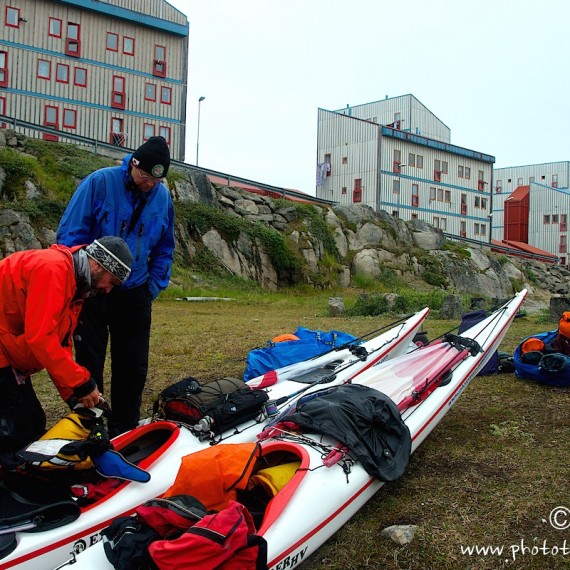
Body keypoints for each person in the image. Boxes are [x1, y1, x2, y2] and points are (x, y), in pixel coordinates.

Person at [57, 136, 175, 437]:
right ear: (133, 164)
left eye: (156, 180)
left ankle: (124, 431)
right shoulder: (100, 183)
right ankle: (88, 429)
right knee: (89, 363)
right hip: (93, 291)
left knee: (133, 368)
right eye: (145, 176)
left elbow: (164, 247)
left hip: (135, 292)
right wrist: (82, 281)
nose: (149, 184)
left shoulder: (162, 198)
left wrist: (152, 287)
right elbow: (71, 233)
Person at [0, 237, 133, 459]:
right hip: (4, 352)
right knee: (16, 428)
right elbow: (40, 338)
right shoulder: (54, 270)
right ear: (98, 264)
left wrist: (73, 394)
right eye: (112, 281)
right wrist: (81, 383)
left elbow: (60, 343)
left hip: (7, 350)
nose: (108, 290)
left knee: (30, 421)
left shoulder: (75, 287)